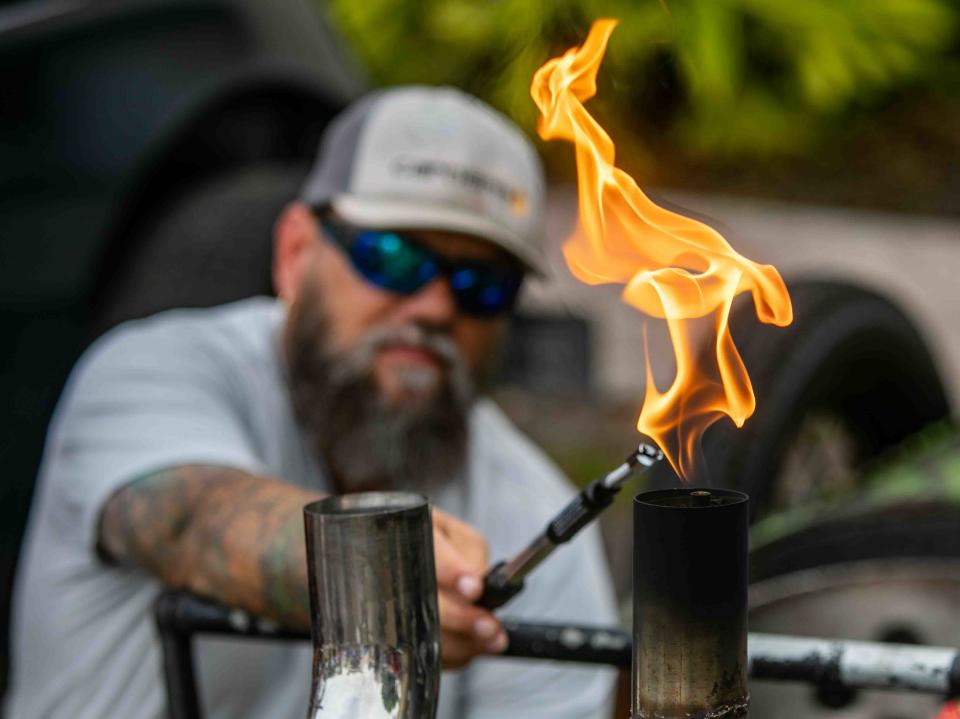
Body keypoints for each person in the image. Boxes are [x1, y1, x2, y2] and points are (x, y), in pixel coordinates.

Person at [6, 86, 617, 718]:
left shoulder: (529, 506)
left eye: (482, 285)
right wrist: (379, 574)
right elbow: (191, 519)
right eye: (393, 256)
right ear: (296, 253)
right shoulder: (154, 371)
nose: (436, 307)